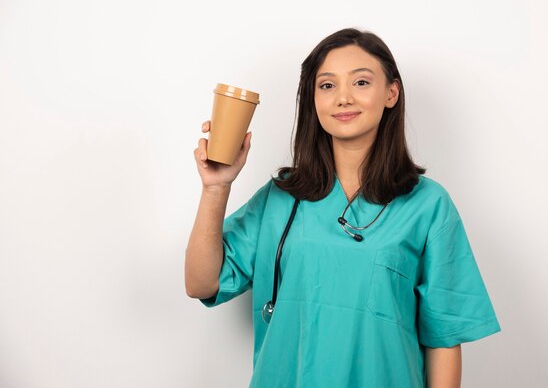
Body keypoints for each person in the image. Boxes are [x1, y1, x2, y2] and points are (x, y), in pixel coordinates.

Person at [185, 27, 501, 388]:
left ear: (391, 93)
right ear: (313, 99)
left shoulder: (428, 205)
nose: (343, 98)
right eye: (327, 85)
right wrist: (216, 187)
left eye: (362, 83)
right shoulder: (281, 197)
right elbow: (201, 282)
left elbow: (443, 339)